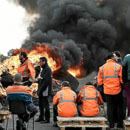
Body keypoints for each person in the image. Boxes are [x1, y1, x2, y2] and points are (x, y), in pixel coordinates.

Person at [98, 52, 124, 130]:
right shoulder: (118, 66)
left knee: (110, 107)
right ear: (112, 58)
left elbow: (99, 82)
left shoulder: (101, 68)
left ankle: (111, 125)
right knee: (120, 107)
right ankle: (119, 124)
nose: (116, 58)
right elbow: (122, 79)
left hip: (107, 91)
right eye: (115, 56)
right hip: (117, 90)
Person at [35, 57, 52, 123]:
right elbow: (43, 79)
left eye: (40, 62)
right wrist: (38, 81)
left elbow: (46, 82)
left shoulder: (47, 69)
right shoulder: (44, 69)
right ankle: (41, 117)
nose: (39, 63)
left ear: (44, 61)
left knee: (45, 105)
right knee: (40, 104)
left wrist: (40, 90)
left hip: (45, 90)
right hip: (41, 89)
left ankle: (47, 119)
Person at [122, 50, 130, 121]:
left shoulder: (127, 57)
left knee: (128, 97)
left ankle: (129, 115)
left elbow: (123, 70)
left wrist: (124, 81)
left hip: (128, 81)